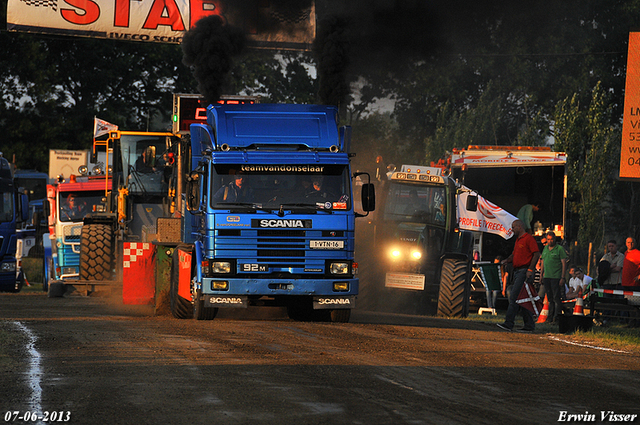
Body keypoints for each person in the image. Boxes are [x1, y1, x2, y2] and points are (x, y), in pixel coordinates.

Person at [497, 219, 541, 332]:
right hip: (518, 271)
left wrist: (530, 269)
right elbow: (514, 254)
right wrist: (508, 260)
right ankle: (529, 325)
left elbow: (536, 254)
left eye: (513, 227)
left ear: (519, 227)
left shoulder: (528, 239)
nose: (512, 229)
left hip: (524, 271)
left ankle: (509, 323)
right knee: (523, 298)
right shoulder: (518, 240)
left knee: (514, 296)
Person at [539, 231, 567, 324]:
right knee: (550, 298)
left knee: (556, 298)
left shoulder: (559, 249)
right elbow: (543, 262)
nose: (550, 241)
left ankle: (557, 317)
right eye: (548, 239)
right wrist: (541, 275)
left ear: (555, 239)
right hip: (547, 276)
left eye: (552, 239)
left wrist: (562, 277)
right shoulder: (546, 249)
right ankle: (550, 317)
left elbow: (564, 263)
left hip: (556, 277)